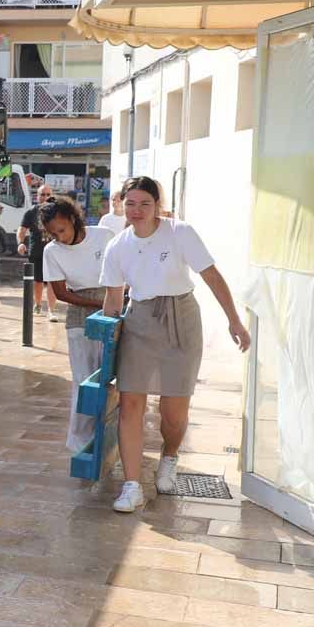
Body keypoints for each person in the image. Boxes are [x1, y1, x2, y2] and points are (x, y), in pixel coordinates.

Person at [101, 176, 250, 512]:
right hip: (138, 320)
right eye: (131, 203)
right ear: (122, 205)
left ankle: (169, 456)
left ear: (158, 206)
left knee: (173, 410)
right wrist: (104, 342)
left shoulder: (180, 232)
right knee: (131, 405)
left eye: (145, 204)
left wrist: (234, 320)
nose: (137, 211)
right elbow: (112, 300)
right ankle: (132, 485)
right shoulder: (117, 246)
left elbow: (211, 275)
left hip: (181, 319)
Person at [40, 197, 114, 452]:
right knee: (84, 380)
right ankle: (81, 442)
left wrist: (114, 301)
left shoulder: (104, 236)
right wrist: (97, 305)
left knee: (114, 378)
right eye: (53, 233)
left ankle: (110, 437)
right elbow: (60, 293)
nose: (59, 237)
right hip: (80, 312)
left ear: (73, 219)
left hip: (114, 304)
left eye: (62, 230)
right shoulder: (52, 251)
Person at [18, 184, 58, 321]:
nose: (45, 197)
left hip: (54, 252)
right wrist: (21, 243)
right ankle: (38, 304)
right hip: (37, 251)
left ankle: (51, 311)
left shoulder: (57, 212)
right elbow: (22, 230)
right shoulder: (31, 212)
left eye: (48, 194)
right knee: (38, 281)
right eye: (42, 194)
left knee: (53, 281)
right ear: (37, 196)